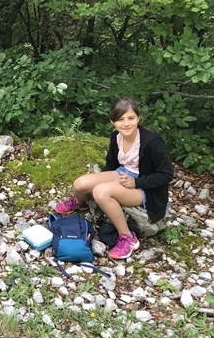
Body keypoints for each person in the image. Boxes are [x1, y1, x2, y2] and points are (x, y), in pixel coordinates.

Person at [54, 97, 173, 260]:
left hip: (147, 189)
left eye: (131, 118)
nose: (126, 123)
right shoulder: (116, 137)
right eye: (120, 119)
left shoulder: (152, 142)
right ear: (113, 122)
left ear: (138, 118)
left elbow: (167, 174)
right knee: (80, 184)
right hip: (123, 173)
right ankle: (82, 203)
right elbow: (111, 165)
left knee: (101, 192)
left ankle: (128, 238)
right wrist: (104, 179)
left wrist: (136, 182)